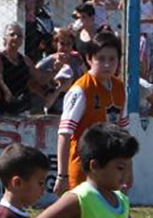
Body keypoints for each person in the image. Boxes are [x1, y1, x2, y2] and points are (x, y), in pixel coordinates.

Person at [55, 31, 128, 194]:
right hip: (82, 172)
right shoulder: (81, 90)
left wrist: (126, 170)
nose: (107, 65)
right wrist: (62, 176)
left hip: (108, 171)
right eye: (101, 59)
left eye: (112, 59)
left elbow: (123, 134)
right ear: (89, 59)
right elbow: (65, 134)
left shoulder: (119, 88)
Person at [0, 23, 46, 114]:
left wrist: (56, 69)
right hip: (3, 103)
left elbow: (41, 78)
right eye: (12, 35)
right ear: (5, 38)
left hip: (22, 103)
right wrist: (6, 91)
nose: (16, 38)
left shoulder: (25, 60)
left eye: (19, 36)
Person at [36, 28, 84, 115]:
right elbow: (35, 78)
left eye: (68, 44)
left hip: (73, 103)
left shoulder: (76, 61)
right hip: (53, 104)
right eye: (62, 44)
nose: (65, 48)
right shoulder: (48, 61)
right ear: (56, 44)